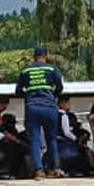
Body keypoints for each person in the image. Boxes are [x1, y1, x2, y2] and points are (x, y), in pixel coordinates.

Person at [16, 46, 67, 179]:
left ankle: (39, 171)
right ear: (46, 56)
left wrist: (29, 96)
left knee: (34, 139)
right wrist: (51, 95)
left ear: (34, 57)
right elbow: (60, 88)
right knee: (51, 139)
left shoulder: (26, 71)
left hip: (32, 108)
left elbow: (18, 91)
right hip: (49, 107)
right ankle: (54, 169)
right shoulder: (51, 69)